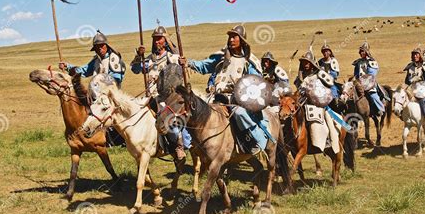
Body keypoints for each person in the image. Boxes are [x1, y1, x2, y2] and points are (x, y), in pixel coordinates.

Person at [179, 25, 271, 154]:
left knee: (239, 113)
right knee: (193, 108)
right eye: (229, 37)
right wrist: (189, 63)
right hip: (215, 96)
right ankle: (192, 143)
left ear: (242, 40)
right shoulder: (221, 57)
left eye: (234, 37)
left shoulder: (249, 62)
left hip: (236, 100)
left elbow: (256, 83)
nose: (231, 40)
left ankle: (251, 140)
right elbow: (204, 65)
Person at [131, 25, 191, 161]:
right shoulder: (149, 59)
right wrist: (138, 56)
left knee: (167, 118)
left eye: (159, 39)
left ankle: (178, 145)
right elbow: (135, 69)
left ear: (165, 41)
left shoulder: (171, 57)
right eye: (155, 39)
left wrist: (183, 62)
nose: (157, 42)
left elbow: (181, 68)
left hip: (168, 98)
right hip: (150, 96)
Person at [294, 48, 341, 153]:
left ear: (311, 63)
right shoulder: (300, 77)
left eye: (307, 62)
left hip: (317, 104)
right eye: (304, 62)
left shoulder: (319, 74)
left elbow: (329, 83)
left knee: (326, 119)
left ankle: (328, 140)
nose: (305, 64)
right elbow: (298, 89)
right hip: (303, 102)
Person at [59, 30, 125, 86]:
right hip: (97, 93)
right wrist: (67, 66)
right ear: (95, 49)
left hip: (111, 93)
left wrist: (100, 80)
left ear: (106, 46)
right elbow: (84, 70)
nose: (100, 49)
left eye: (102, 45)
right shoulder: (96, 60)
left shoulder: (113, 58)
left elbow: (116, 79)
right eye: (97, 47)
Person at [352, 41, 388, 116]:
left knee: (373, 95)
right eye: (361, 51)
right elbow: (355, 74)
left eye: (363, 51)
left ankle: (380, 109)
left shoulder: (372, 62)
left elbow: (371, 75)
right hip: (358, 83)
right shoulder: (358, 62)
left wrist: (363, 82)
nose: (361, 53)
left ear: (367, 52)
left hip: (369, 83)